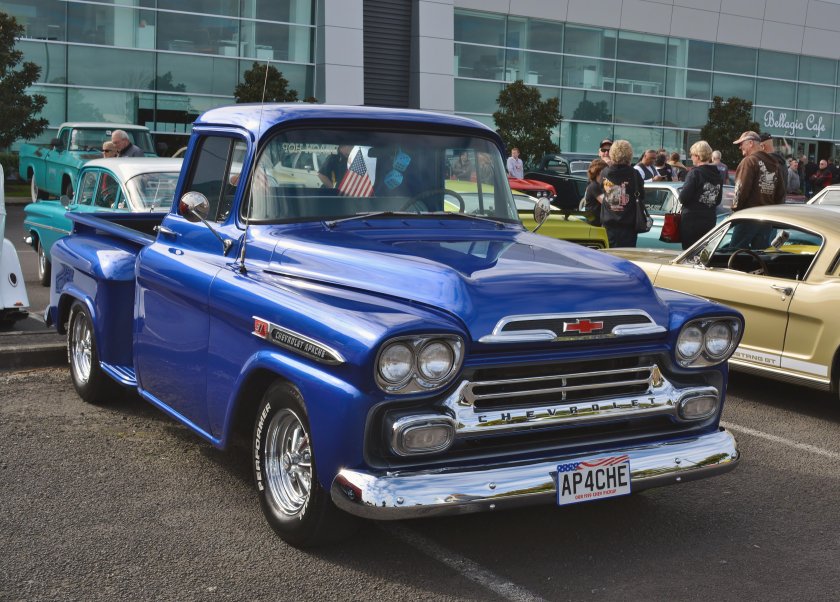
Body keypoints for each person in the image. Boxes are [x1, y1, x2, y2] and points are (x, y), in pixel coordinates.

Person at [730, 131, 785, 249]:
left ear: (750, 143)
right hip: (766, 218)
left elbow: (741, 190)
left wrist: (735, 210)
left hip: (748, 216)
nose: (740, 147)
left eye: (741, 144)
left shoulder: (749, 161)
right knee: (760, 255)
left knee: (734, 252)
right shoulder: (775, 164)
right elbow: (780, 193)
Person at [600, 139, 645, 248]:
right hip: (628, 224)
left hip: (608, 223)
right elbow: (642, 195)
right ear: (629, 155)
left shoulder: (605, 172)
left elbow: (603, 192)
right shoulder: (635, 174)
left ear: (612, 153)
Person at [678, 141, 722, 249]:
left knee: (689, 255)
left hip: (692, 221)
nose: (691, 158)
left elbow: (683, 198)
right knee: (703, 254)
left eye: (692, 155)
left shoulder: (695, 173)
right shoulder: (717, 174)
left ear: (697, 156)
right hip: (709, 219)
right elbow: (718, 200)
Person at [582, 158, 608, 226]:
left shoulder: (601, 185)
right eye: (605, 170)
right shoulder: (594, 186)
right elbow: (606, 202)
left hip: (599, 222)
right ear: (599, 172)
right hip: (594, 224)